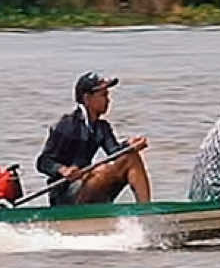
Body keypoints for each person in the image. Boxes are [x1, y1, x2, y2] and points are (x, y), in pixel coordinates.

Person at [36, 71, 151, 206]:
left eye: (108, 95)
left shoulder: (102, 127)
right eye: (103, 95)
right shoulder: (67, 125)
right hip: (65, 194)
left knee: (131, 157)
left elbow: (115, 153)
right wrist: (63, 170)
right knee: (101, 171)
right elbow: (43, 161)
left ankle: (145, 209)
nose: (108, 100)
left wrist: (129, 146)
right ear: (87, 98)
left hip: (86, 186)